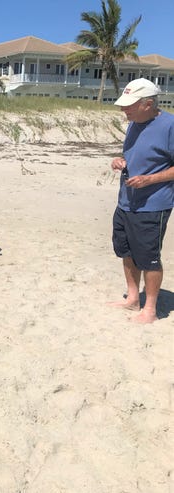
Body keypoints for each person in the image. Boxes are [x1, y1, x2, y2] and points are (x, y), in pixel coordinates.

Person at [110, 78, 174, 323]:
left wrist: (151, 179)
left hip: (153, 205)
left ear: (148, 104)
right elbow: (135, 155)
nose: (123, 109)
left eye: (129, 105)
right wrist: (119, 161)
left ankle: (150, 310)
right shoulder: (134, 123)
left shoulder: (169, 125)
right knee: (126, 251)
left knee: (149, 257)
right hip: (126, 201)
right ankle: (133, 298)